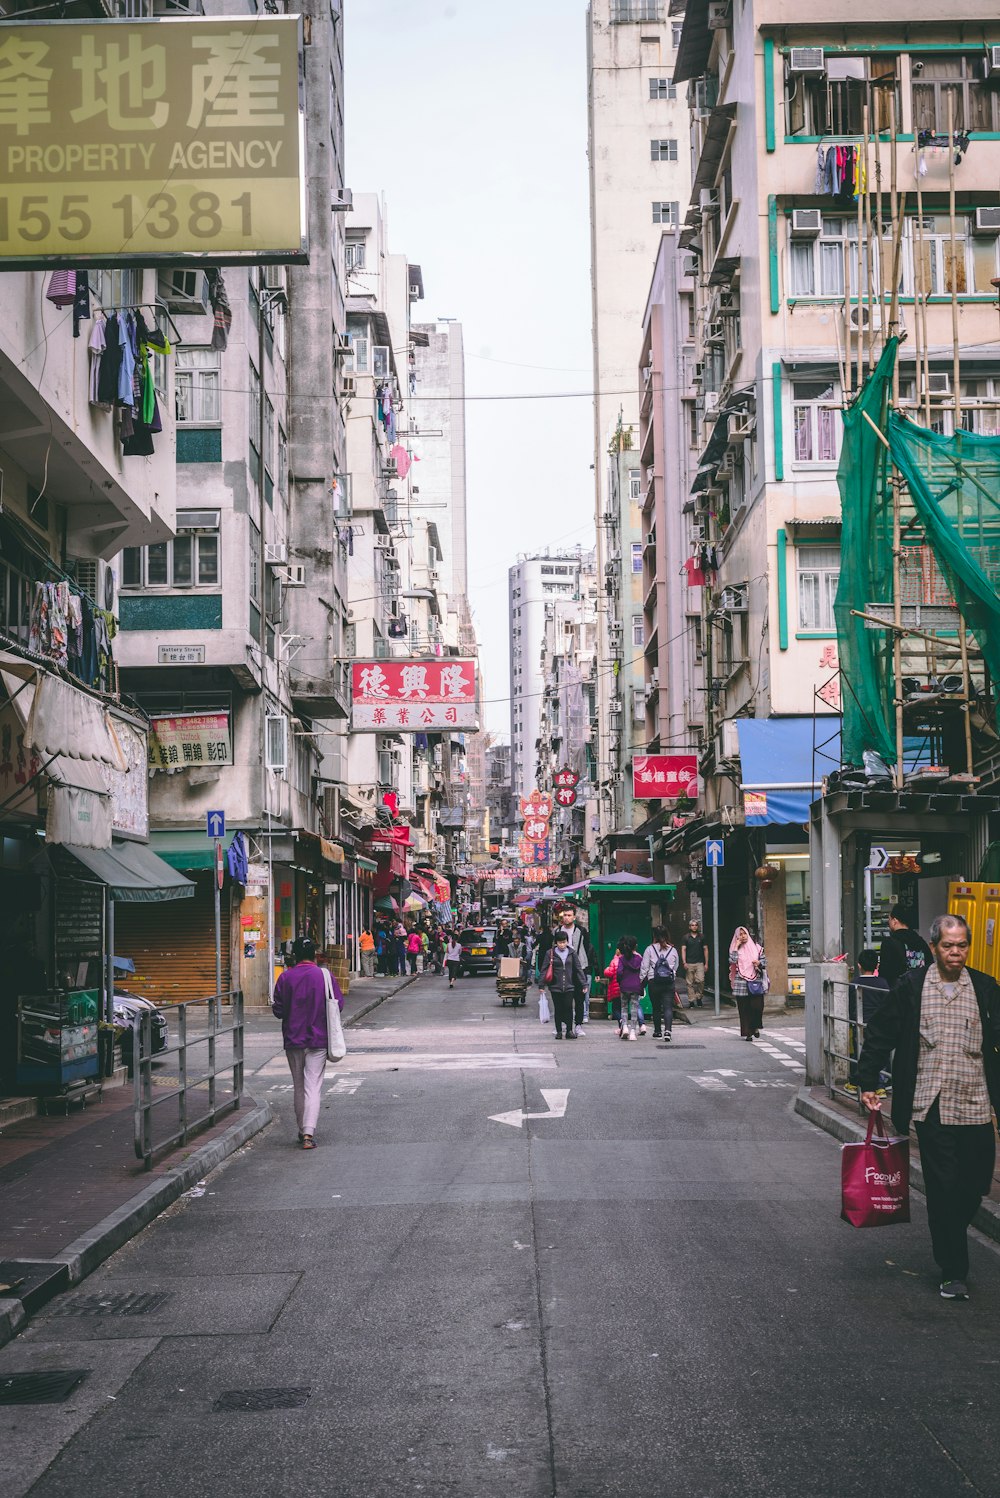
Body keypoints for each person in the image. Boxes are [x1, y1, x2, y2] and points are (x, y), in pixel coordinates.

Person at [859, 913, 1000, 1301]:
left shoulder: (986, 989)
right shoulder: (912, 987)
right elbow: (881, 1032)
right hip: (930, 1105)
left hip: (974, 1103)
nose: (956, 953)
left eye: (962, 946)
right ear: (934, 948)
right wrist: (868, 1081)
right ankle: (954, 1269)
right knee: (942, 1187)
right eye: (948, 946)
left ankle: (950, 1229)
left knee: (975, 1184)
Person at [271, 936, 341, 1150]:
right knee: (313, 1086)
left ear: (295, 955)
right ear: (313, 955)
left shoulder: (285, 978)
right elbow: (338, 1003)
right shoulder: (325, 975)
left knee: (299, 1086)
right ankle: (309, 1133)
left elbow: (278, 1010)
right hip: (319, 1039)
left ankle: (302, 1130)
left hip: (293, 1039)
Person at [845, 949, 890, 1095]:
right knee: (881, 1053)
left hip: (860, 1024)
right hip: (880, 1025)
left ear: (859, 965)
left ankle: (855, 1082)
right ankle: (880, 1086)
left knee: (860, 1053)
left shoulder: (854, 984)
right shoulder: (883, 983)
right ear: (877, 965)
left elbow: (850, 1005)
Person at [544, 927, 587, 1039]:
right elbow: (544, 969)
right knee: (558, 1009)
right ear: (556, 942)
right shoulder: (550, 953)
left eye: (564, 942)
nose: (562, 945)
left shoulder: (572, 953)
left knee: (568, 1007)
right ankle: (559, 1031)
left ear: (567, 942)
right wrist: (541, 984)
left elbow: (578, 969)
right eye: (560, 942)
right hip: (555, 986)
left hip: (569, 986)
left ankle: (569, 1030)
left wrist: (583, 983)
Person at [878, 904, 932, 990]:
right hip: (919, 992)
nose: (889, 922)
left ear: (895, 921)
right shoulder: (921, 942)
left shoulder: (889, 943)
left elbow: (885, 973)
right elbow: (930, 966)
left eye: (889, 919)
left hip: (898, 994)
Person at [640, 927, 680, 1040]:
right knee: (668, 1007)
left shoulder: (649, 949)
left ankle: (657, 1031)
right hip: (669, 982)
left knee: (656, 1007)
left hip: (654, 982)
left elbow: (644, 967)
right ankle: (667, 1031)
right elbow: (676, 966)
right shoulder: (673, 950)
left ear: (654, 936)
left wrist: (642, 980)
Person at [729, 926, 767, 1042]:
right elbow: (732, 961)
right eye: (740, 934)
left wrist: (759, 963)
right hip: (741, 981)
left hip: (755, 980)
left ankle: (755, 1026)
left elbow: (765, 961)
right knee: (744, 1008)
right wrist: (736, 946)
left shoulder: (757, 948)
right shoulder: (735, 949)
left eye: (744, 933)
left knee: (757, 1006)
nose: (743, 936)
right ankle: (748, 1032)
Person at [561, 908, 596, 1026]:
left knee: (579, 998)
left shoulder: (581, 931)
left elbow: (587, 947)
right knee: (564, 999)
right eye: (565, 915)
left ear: (574, 917)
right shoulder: (558, 931)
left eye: (569, 915)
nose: (566, 917)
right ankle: (566, 1023)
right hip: (563, 969)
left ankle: (579, 1023)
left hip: (579, 968)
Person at [608, 935, 645, 1040]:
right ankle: (633, 1032)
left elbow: (619, 972)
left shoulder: (622, 959)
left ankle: (624, 1027)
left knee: (623, 1008)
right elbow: (643, 972)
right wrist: (641, 984)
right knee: (634, 1009)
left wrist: (621, 982)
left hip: (624, 986)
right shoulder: (639, 958)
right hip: (636, 987)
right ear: (636, 946)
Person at [683, 921, 709, 1009]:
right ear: (689, 927)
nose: (694, 927)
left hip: (699, 962)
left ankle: (699, 997)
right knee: (689, 983)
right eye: (692, 925)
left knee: (701, 980)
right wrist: (684, 962)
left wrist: (706, 963)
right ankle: (691, 1001)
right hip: (689, 962)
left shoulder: (701, 937)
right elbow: (683, 950)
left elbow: (705, 949)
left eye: (695, 925)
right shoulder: (686, 937)